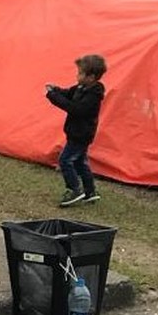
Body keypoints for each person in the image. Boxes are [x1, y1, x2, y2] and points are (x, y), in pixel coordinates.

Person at [45, 53, 108, 207]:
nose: (77, 75)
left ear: (91, 77)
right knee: (80, 162)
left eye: (80, 73)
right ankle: (90, 191)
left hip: (81, 135)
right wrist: (56, 90)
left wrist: (54, 97)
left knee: (65, 160)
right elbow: (68, 93)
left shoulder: (93, 95)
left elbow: (76, 109)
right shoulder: (81, 87)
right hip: (76, 132)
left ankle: (74, 189)